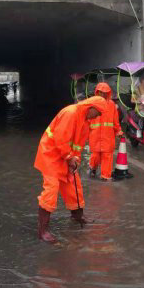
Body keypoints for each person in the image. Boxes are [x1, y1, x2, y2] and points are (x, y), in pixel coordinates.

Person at [35, 96, 108, 243]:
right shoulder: (70, 113)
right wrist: (69, 157)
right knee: (51, 190)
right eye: (98, 113)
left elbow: (77, 147)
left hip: (64, 158)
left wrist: (75, 161)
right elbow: (60, 139)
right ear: (91, 107)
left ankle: (77, 216)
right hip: (51, 156)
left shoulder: (85, 122)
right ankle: (42, 231)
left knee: (74, 185)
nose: (97, 117)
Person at [88, 82, 123, 181]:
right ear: (97, 92)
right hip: (95, 136)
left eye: (105, 92)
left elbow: (115, 121)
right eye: (100, 92)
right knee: (95, 156)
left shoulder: (112, 105)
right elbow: (87, 120)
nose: (103, 94)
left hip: (107, 137)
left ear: (108, 93)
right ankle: (92, 168)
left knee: (107, 156)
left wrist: (118, 131)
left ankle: (105, 176)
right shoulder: (92, 103)